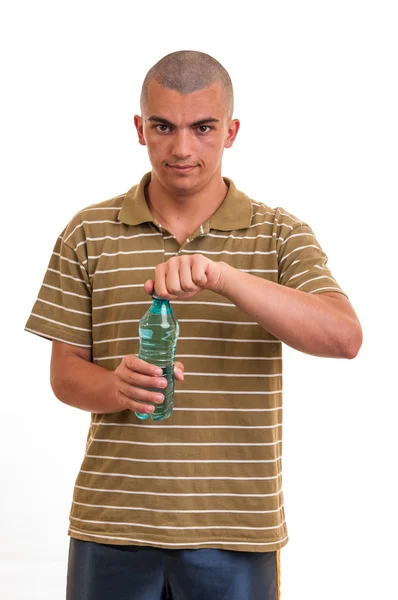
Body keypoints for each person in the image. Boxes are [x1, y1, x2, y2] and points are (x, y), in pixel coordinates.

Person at [25, 50, 362, 600]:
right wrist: (114, 387)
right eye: (164, 126)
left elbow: (344, 337)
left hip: (236, 532)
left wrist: (224, 277)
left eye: (202, 128)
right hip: (110, 523)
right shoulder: (87, 232)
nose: (182, 148)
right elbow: (64, 375)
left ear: (230, 132)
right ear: (140, 129)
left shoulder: (279, 234)